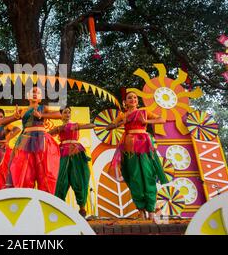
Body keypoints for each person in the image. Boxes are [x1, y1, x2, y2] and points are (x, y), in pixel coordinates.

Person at [106, 91, 168, 222]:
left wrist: (146, 121)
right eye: (130, 98)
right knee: (135, 179)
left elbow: (162, 119)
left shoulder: (144, 112)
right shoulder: (123, 115)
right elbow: (108, 127)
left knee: (148, 176)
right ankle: (141, 211)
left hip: (144, 146)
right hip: (129, 148)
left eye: (135, 97)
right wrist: (119, 123)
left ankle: (151, 210)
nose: (133, 99)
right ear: (125, 102)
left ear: (137, 101)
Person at [1, 85, 61, 194]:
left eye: (37, 92)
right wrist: (14, 116)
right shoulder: (23, 111)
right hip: (25, 141)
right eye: (32, 91)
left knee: (45, 171)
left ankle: (46, 200)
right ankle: (24, 197)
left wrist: (41, 115)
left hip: (41, 140)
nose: (34, 93)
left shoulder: (44, 107)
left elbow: (60, 114)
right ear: (27, 97)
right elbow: (2, 122)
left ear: (40, 98)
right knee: (24, 171)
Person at [48, 106, 95, 217]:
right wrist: (58, 129)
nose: (67, 114)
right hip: (63, 152)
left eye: (69, 112)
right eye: (65, 112)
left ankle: (82, 208)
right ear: (61, 115)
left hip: (76, 152)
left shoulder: (75, 125)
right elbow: (47, 135)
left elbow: (92, 125)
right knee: (61, 180)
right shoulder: (59, 127)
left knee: (78, 178)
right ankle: (60, 208)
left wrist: (78, 126)